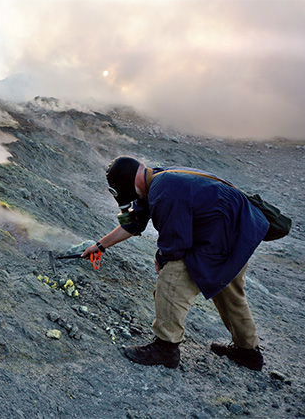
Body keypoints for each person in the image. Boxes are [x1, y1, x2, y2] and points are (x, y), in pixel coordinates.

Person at [82, 156, 268, 370]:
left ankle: (165, 348)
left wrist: (161, 259)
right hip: (240, 231)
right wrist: (100, 245)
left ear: (133, 184)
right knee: (228, 289)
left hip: (225, 233)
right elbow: (135, 222)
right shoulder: (156, 179)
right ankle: (248, 352)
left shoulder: (164, 191)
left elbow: (177, 242)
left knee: (171, 280)